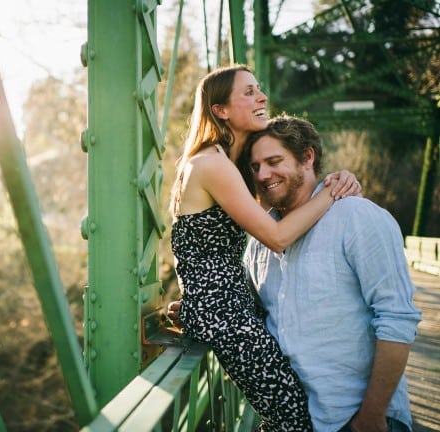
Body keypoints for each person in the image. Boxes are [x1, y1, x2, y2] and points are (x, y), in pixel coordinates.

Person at [169, 115, 422, 432]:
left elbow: (398, 318)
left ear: (307, 157)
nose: (263, 175)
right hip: (296, 420)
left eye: (274, 161)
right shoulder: (260, 244)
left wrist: (372, 415)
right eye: (255, 166)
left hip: (356, 418)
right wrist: (203, 309)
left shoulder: (357, 217)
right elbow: (250, 313)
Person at [168, 65, 361, 431]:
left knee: (291, 406)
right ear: (220, 110)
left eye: (259, 89)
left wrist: (335, 180)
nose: (262, 98)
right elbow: (277, 237)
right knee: (292, 417)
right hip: (224, 317)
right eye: (249, 92)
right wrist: (334, 192)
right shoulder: (210, 163)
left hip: (234, 307)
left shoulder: (234, 166)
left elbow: (289, 199)